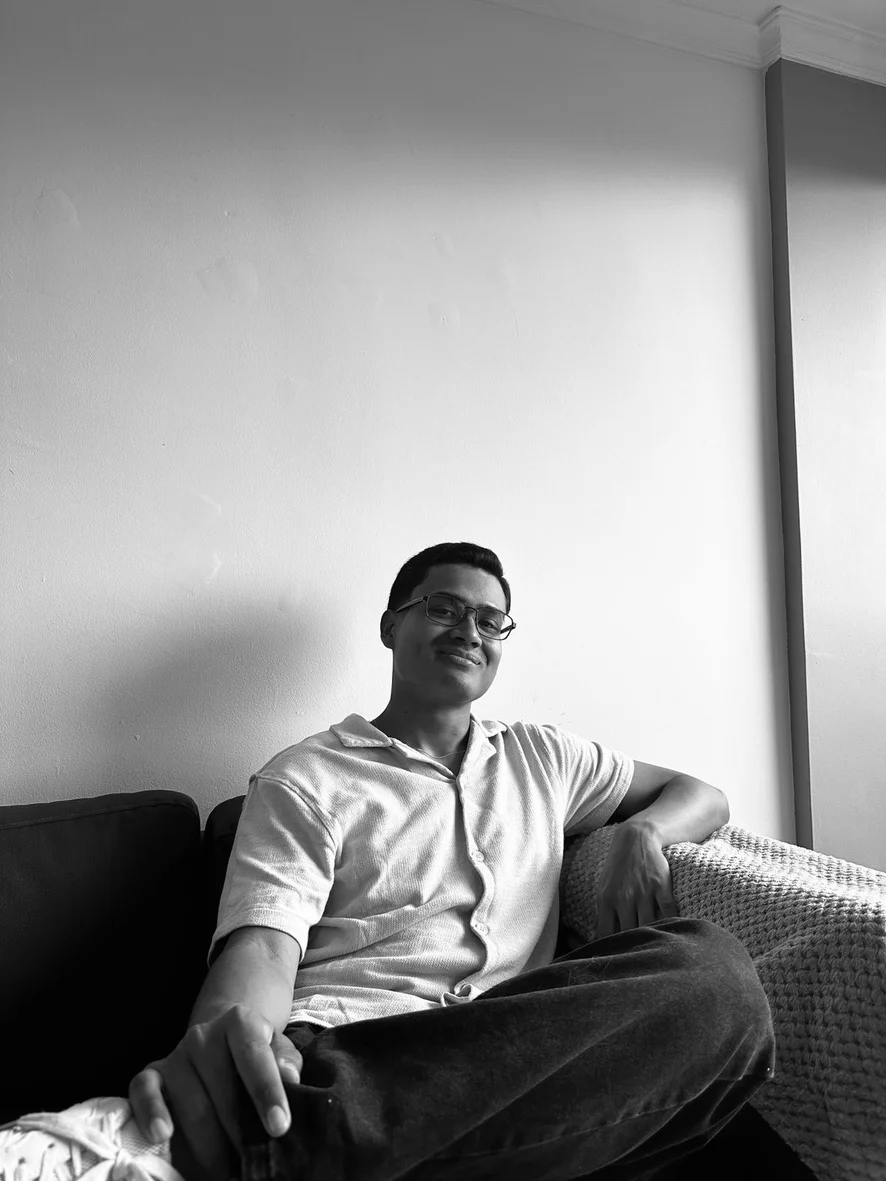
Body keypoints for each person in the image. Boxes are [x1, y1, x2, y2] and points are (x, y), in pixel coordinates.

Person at [0, 542, 775, 1181]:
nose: (469, 630)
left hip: (514, 1055)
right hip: (350, 1053)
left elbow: (700, 794)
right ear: (390, 624)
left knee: (714, 980)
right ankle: (218, 1139)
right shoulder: (308, 776)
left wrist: (642, 834)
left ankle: (246, 1156)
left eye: (491, 620)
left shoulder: (546, 757)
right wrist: (225, 1047)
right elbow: (264, 944)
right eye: (443, 607)